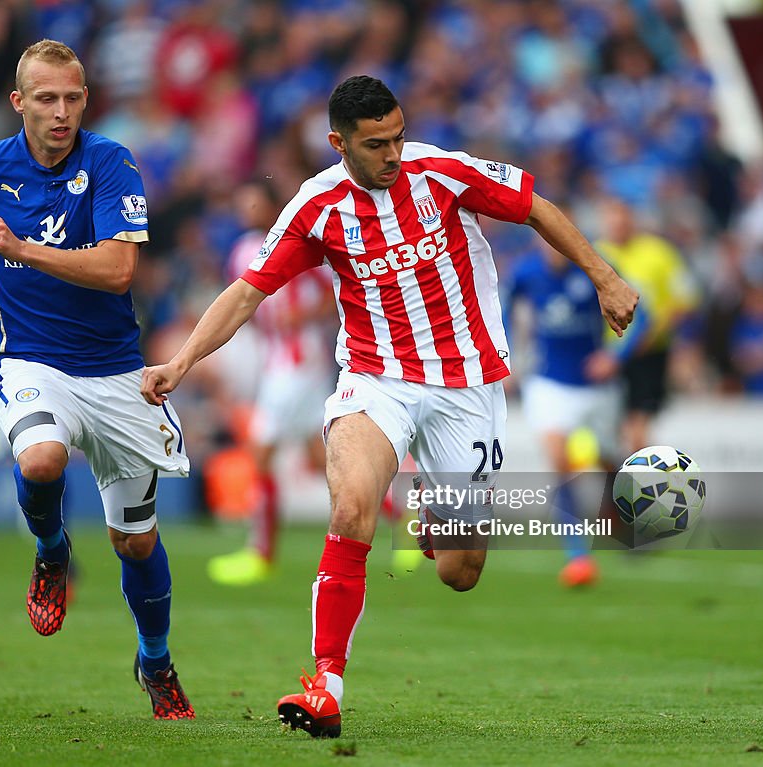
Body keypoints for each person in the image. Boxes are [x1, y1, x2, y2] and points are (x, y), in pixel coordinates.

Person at [141, 75, 638, 737]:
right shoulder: (316, 207)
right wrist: (179, 362)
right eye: (376, 144)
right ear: (338, 142)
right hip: (377, 378)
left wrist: (604, 276)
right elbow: (245, 293)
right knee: (352, 505)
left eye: (398, 136)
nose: (393, 153)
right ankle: (325, 682)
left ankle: (435, 513)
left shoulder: (443, 172)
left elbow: (537, 206)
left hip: (467, 384)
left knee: (461, 571)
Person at [0, 39, 194, 720]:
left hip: (115, 372)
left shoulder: (111, 161)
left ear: (86, 99)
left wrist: (23, 250)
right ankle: (52, 550)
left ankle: (156, 660)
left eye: (72, 98)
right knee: (42, 459)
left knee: (135, 541)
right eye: (46, 98)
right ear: (18, 101)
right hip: (31, 361)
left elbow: (117, 270)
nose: (61, 112)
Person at [206, 179, 336, 586]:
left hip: (299, 361)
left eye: (254, 203)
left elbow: (333, 291)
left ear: (271, 207)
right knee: (321, 459)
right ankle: (405, 516)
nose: (247, 210)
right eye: (242, 203)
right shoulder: (243, 249)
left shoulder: (299, 243)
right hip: (279, 361)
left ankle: (260, 553)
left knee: (261, 453)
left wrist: (304, 316)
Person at [505, 228, 648, 587]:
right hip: (549, 383)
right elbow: (502, 311)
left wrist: (615, 356)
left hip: (597, 386)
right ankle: (578, 556)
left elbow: (642, 314)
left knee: (606, 460)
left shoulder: (596, 266)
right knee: (559, 463)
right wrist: (505, 355)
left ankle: (623, 517)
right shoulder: (526, 272)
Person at [595, 196, 697, 454]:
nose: (617, 224)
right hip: (607, 357)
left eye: (622, 217)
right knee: (608, 433)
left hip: (648, 353)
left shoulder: (659, 252)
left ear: (633, 219)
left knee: (637, 430)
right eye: (611, 219)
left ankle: (638, 487)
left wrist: (653, 334)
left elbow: (685, 300)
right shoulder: (597, 253)